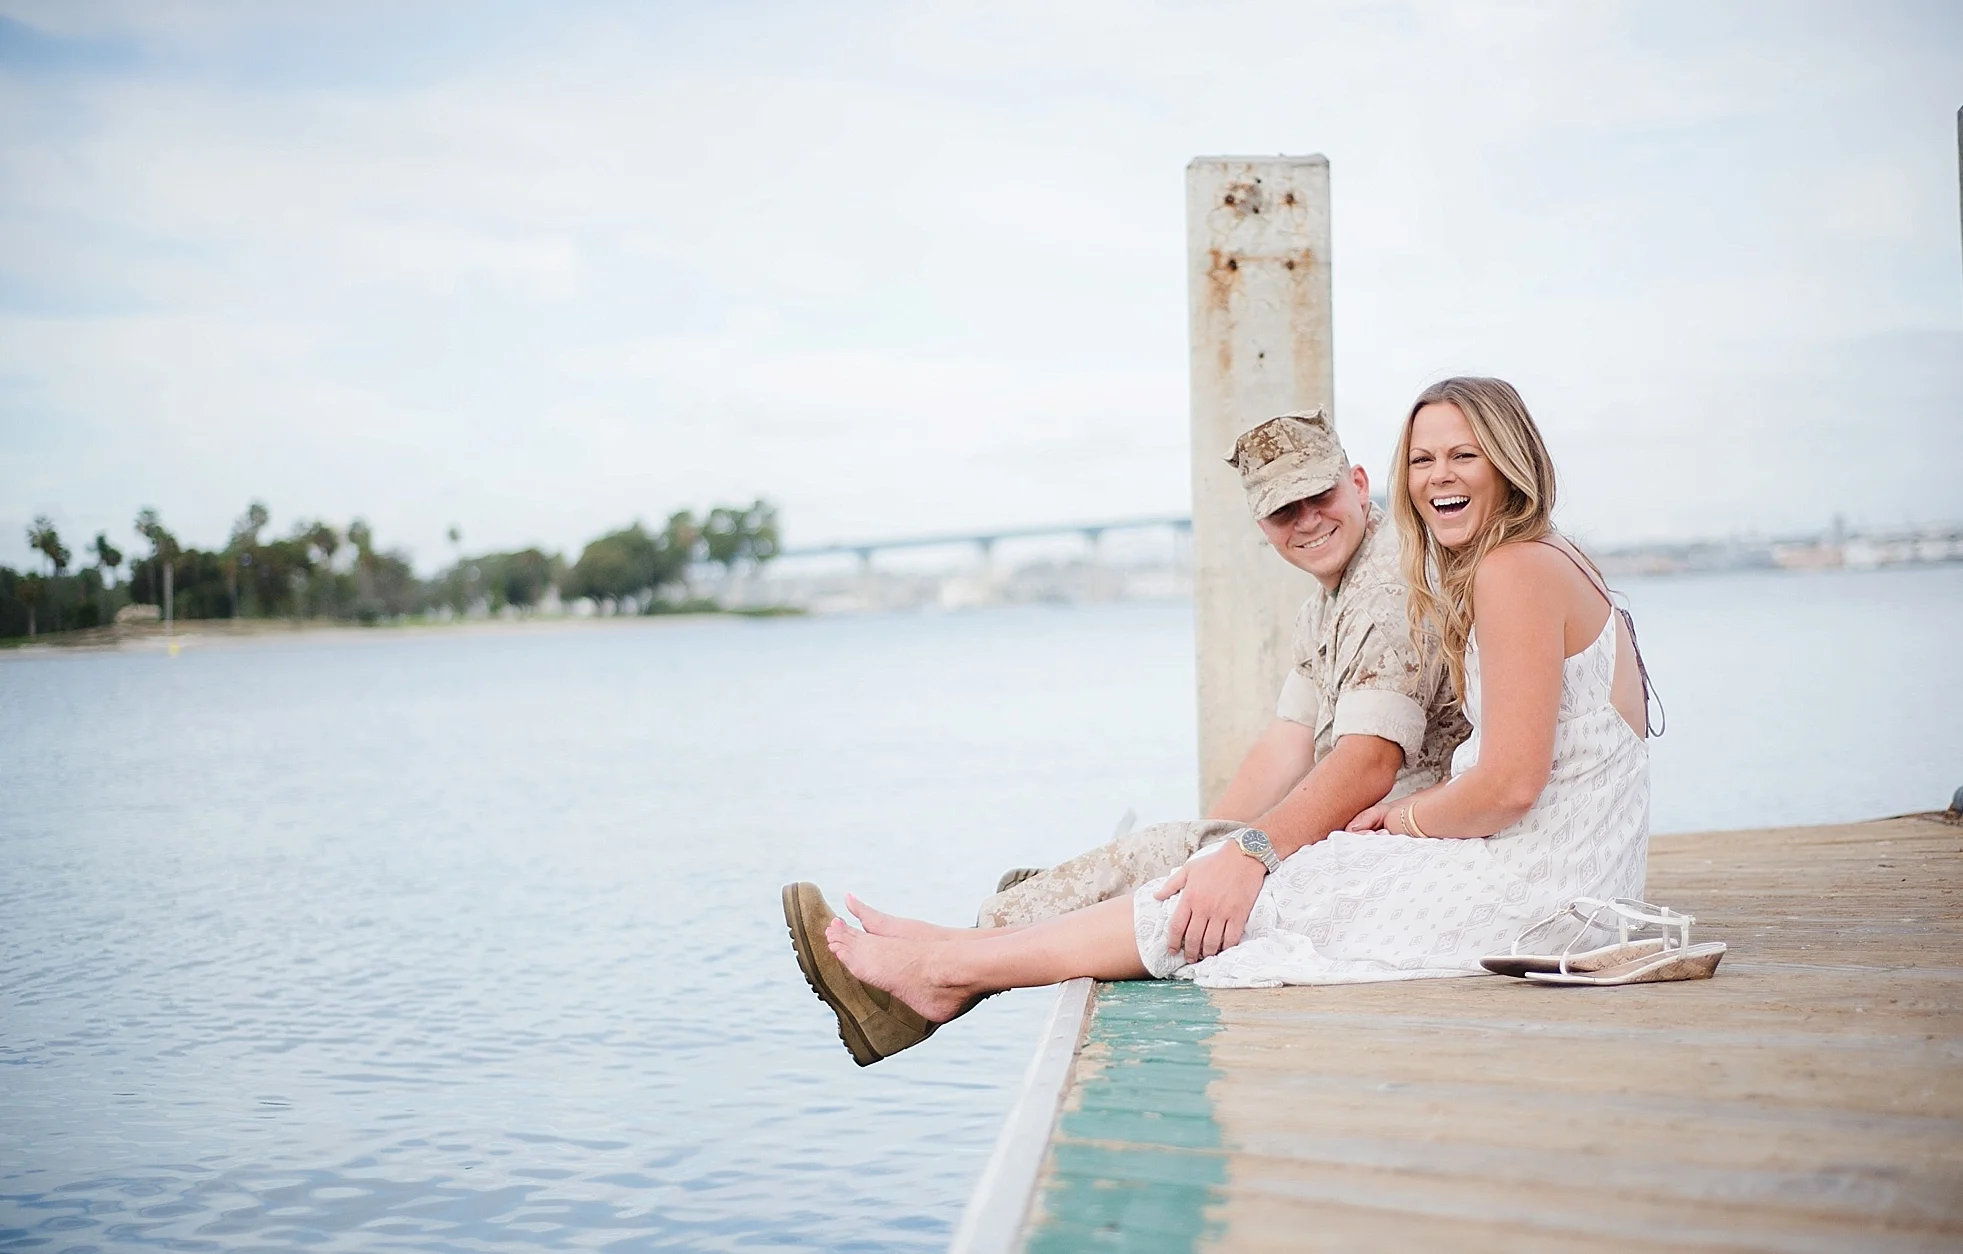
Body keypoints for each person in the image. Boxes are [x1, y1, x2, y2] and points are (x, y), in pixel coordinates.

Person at [784, 377, 1654, 1066]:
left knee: (1225, 901)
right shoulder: (1516, 561)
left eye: (1463, 455)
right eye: (1422, 460)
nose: (1437, 477)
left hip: (1537, 886)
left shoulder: (1478, 572)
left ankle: (942, 972)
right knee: (1197, 872)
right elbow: (1287, 742)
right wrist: (1221, 849)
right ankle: (946, 960)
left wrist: (1311, 841)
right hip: (1559, 867)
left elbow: (1490, 782)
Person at [974, 408, 1468, 958]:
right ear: (1262, 526)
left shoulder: (1388, 587)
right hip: (1362, 834)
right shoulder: (1326, 604)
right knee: (1184, 848)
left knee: (1176, 858)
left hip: (1408, 846)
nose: (1308, 521)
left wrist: (1246, 852)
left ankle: (974, 945)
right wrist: (1211, 846)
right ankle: (994, 931)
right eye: (1284, 510)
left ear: (1357, 484)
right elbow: (1286, 743)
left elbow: (1369, 763)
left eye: (1320, 496)